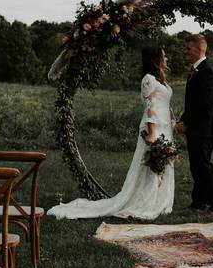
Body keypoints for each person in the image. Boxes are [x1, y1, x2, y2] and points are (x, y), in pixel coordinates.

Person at [48, 46, 175, 220]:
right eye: (164, 55)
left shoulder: (161, 80)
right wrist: (152, 132)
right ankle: (146, 201)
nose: (166, 58)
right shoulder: (149, 79)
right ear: (156, 59)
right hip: (154, 127)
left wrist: (173, 124)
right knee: (151, 165)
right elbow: (150, 107)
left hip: (164, 126)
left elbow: (165, 105)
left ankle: (159, 200)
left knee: (162, 163)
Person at [175, 33, 213, 213]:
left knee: (204, 165)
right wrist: (183, 120)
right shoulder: (198, 69)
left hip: (203, 128)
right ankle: (199, 201)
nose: (185, 51)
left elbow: (203, 104)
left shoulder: (207, 71)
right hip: (195, 127)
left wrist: (185, 122)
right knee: (196, 166)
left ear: (198, 48)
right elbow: (192, 103)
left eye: (188, 48)